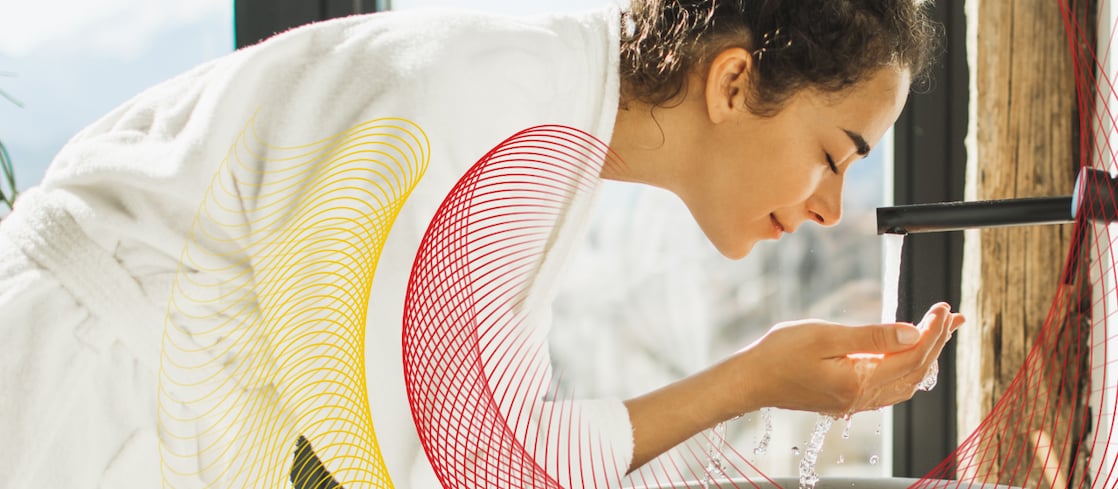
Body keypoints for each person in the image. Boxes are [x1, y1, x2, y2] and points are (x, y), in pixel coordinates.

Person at [0, 0, 961, 487]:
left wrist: (759, 378)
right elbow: (482, 458)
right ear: (735, 83)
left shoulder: (553, 123)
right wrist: (753, 382)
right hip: (81, 400)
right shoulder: (497, 112)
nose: (834, 205)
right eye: (834, 155)